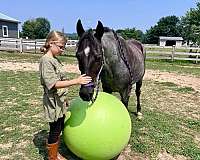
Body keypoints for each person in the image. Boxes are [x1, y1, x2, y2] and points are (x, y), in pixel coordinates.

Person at [39, 30, 92, 160]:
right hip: (53, 101)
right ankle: (52, 157)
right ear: (51, 43)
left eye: (64, 47)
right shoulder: (46, 60)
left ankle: (53, 147)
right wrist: (76, 81)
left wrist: (65, 98)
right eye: (61, 47)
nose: (63, 50)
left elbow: (60, 80)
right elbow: (53, 84)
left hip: (60, 100)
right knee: (55, 128)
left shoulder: (55, 60)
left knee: (60, 124)